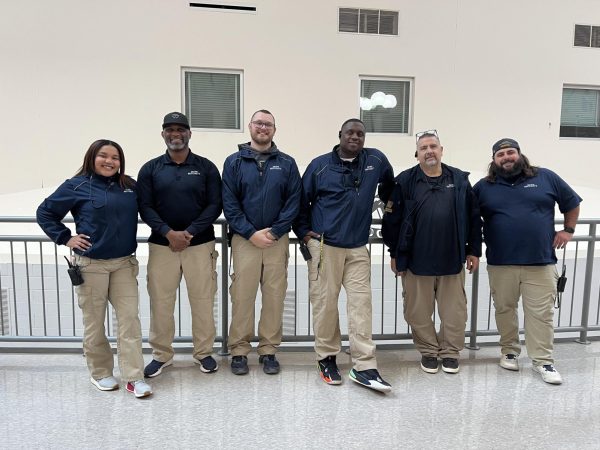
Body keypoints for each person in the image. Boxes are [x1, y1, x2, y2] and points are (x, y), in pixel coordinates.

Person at [36, 139, 152, 398]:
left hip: (124, 264)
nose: (110, 161)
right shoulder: (75, 185)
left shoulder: (129, 186)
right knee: (94, 323)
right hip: (91, 265)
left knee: (129, 321)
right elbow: (45, 212)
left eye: (115, 157)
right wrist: (66, 238)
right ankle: (100, 373)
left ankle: (134, 377)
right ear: (92, 157)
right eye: (104, 156)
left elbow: (152, 207)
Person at [293, 118, 394, 393]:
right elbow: (301, 202)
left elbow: (389, 186)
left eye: (360, 133)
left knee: (361, 304)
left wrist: (389, 209)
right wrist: (304, 233)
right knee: (325, 304)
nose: (355, 137)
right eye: (350, 132)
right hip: (325, 245)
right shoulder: (320, 165)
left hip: (358, 247)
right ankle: (326, 359)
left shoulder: (376, 160)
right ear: (340, 135)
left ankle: (365, 366)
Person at [474, 138, 582, 385]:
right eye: (500, 154)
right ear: (494, 160)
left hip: (540, 262)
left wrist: (568, 230)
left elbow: (572, 203)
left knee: (541, 314)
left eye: (510, 152)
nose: (506, 157)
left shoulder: (545, 177)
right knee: (504, 309)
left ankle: (543, 361)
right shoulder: (484, 187)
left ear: (520, 155)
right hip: (501, 263)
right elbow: (470, 218)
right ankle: (509, 351)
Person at [381, 130, 482, 375]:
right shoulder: (405, 181)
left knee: (454, 313)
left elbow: (473, 216)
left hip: (453, 259)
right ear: (417, 154)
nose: (429, 151)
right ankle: (428, 351)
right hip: (416, 261)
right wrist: (394, 253)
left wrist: (474, 250)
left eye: (433, 146)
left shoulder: (459, 179)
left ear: (441, 150)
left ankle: (449, 352)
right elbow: (391, 221)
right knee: (416, 311)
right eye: (424, 147)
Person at [137, 112, 222, 378]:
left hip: (200, 245)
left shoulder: (206, 167)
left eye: (181, 129)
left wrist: (190, 232)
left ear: (189, 134)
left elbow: (215, 204)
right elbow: (145, 206)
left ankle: (204, 353)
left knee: (203, 301)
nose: (176, 134)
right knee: (161, 302)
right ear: (163, 134)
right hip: (162, 247)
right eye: (170, 129)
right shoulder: (150, 169)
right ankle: (162, 355)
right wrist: (167, 232)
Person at [222, 109, 301, 375]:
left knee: (274, 297)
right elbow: (230, 204)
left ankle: (268, 350)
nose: (263, 128)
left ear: (274, 130)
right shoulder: (233, 162)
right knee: (242, 297)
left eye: (268, 124)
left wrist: (276, 231)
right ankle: (239, 351)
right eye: (259, 123)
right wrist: (250, 233)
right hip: (245, 240)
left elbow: (294, 202)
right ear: (250, 127)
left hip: (276, 241)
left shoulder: (287, 163)